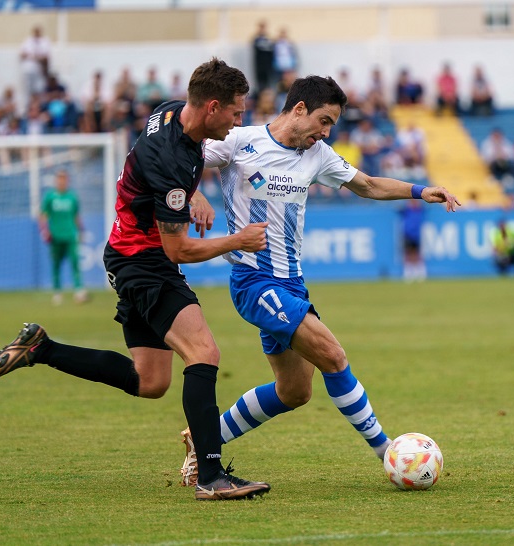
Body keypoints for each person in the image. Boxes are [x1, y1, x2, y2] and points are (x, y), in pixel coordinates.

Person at [0, 58, 271, 501]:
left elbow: (151, 169)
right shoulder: (172, 158)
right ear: (212, 107)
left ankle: (42, 348)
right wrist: (238, 240)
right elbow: (179, 250)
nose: (239, 121)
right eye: (235, 112)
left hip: (125, 256)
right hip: (146, 263)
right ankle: (211, 478)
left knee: (150, 381)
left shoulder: (170, 111)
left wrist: (190, 195)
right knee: (205, 353)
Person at [178, 75, 459, 487]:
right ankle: (391, 455)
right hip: (255, 281)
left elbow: (368, 184)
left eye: (332, 126)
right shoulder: (241, 141)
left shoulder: (319, 155)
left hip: (292, 284)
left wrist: (420, 191)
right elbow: (184, 157)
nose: (326, 133)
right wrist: (191, 193)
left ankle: (204, 440)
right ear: (299, 109)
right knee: (333, 355)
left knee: (294, 391)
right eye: (323, 121)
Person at [39, 170, 88, 305]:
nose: (62, 182)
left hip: (70, 235)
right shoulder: (50, 197)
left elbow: (76, 216)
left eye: (64, 179)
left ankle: (79, 290)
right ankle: (57, 292)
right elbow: (42, 215)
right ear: (56, 181)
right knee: (56, 264)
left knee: (75, 262)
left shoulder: (72, 197)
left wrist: (81, 231)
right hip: (55, 236)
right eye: (59, 179)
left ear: (67, 181)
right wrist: (44, 230)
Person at [19, 26, 51, 107]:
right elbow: (22, 54)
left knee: (39, 90)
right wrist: (35, 57)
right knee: (28, 92)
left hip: (40, 71)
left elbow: (46, 57)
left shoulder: (45, 41)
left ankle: (39, 108)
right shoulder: (27, 41)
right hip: (28, 70)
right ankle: (28, 108)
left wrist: (34, 57)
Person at [251, 20, 276, 92]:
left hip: (268, 66)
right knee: (260, 83)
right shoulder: (256, 39)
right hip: (259, 66)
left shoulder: (269, 40)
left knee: (268, 82)